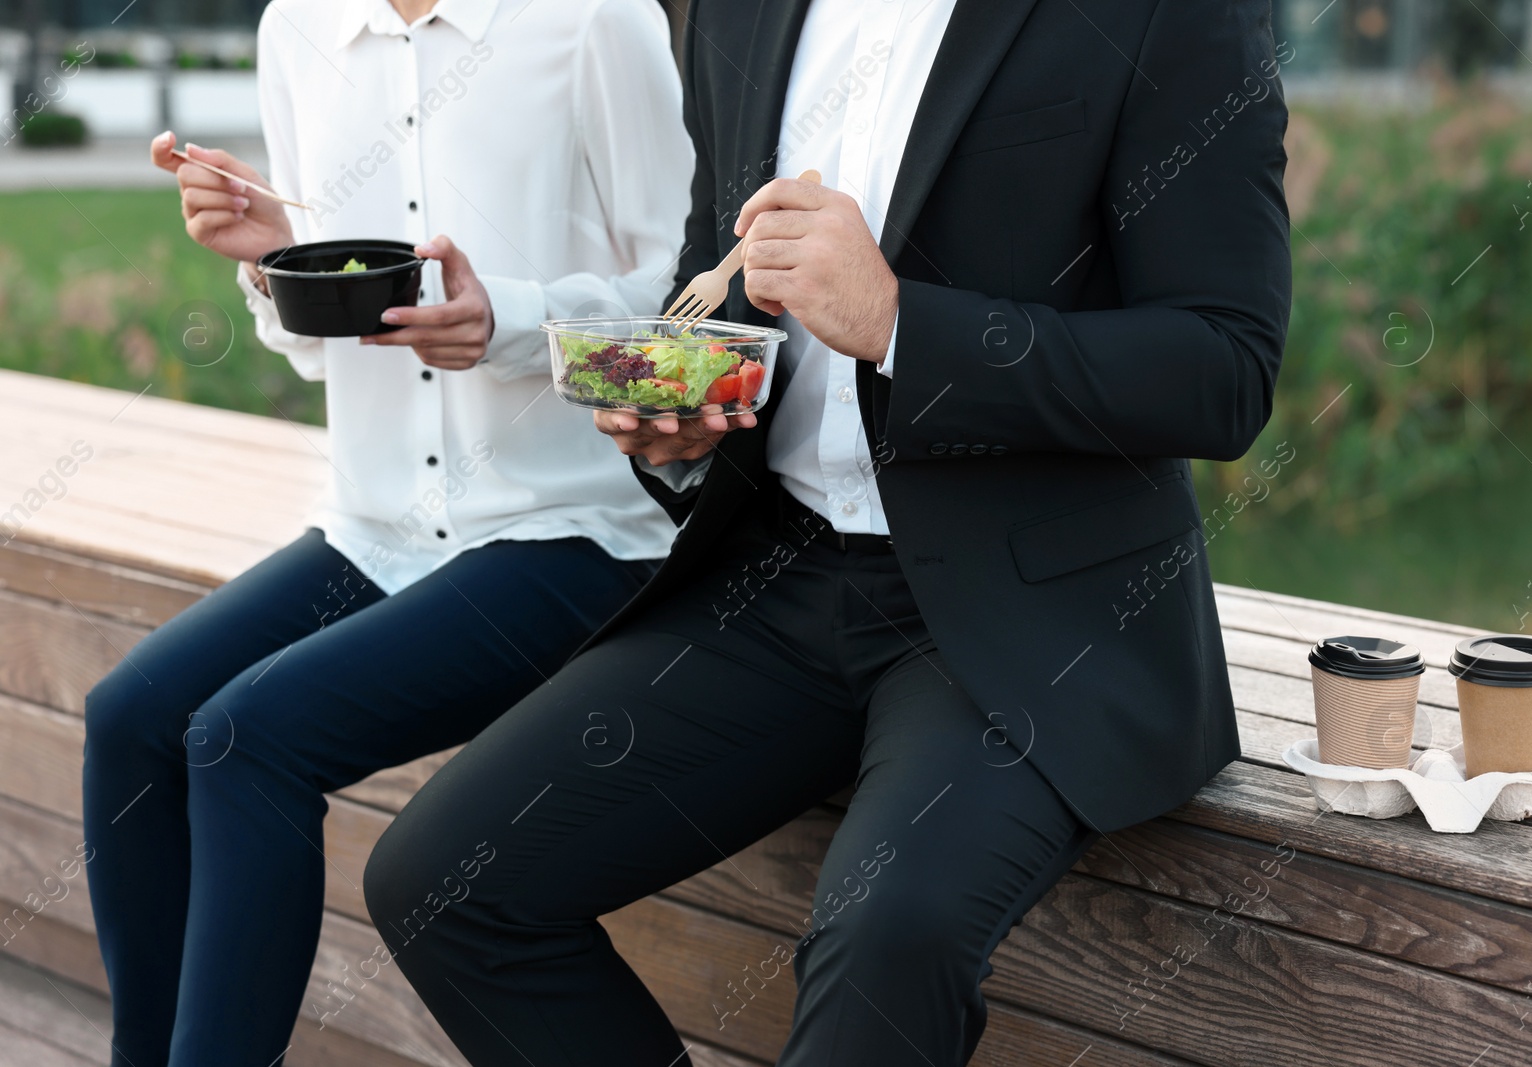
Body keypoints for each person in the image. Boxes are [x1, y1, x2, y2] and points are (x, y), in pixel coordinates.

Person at [364, 0, 1292, 1064]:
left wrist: (902, 323)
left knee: (884, 932)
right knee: (441, 883)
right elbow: (719, 267)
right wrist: (680, 409)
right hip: (773, 580)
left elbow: (1223, 369)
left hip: (1030, 618)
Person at [80, 0, 692, 1063]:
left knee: (244, 737)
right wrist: (273, 259)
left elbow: (685, 310)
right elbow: (327, 346)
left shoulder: (594, 18)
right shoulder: (297, 28)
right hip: (377, 529)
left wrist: (508, 322)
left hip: (574, 529)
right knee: (130, 715)